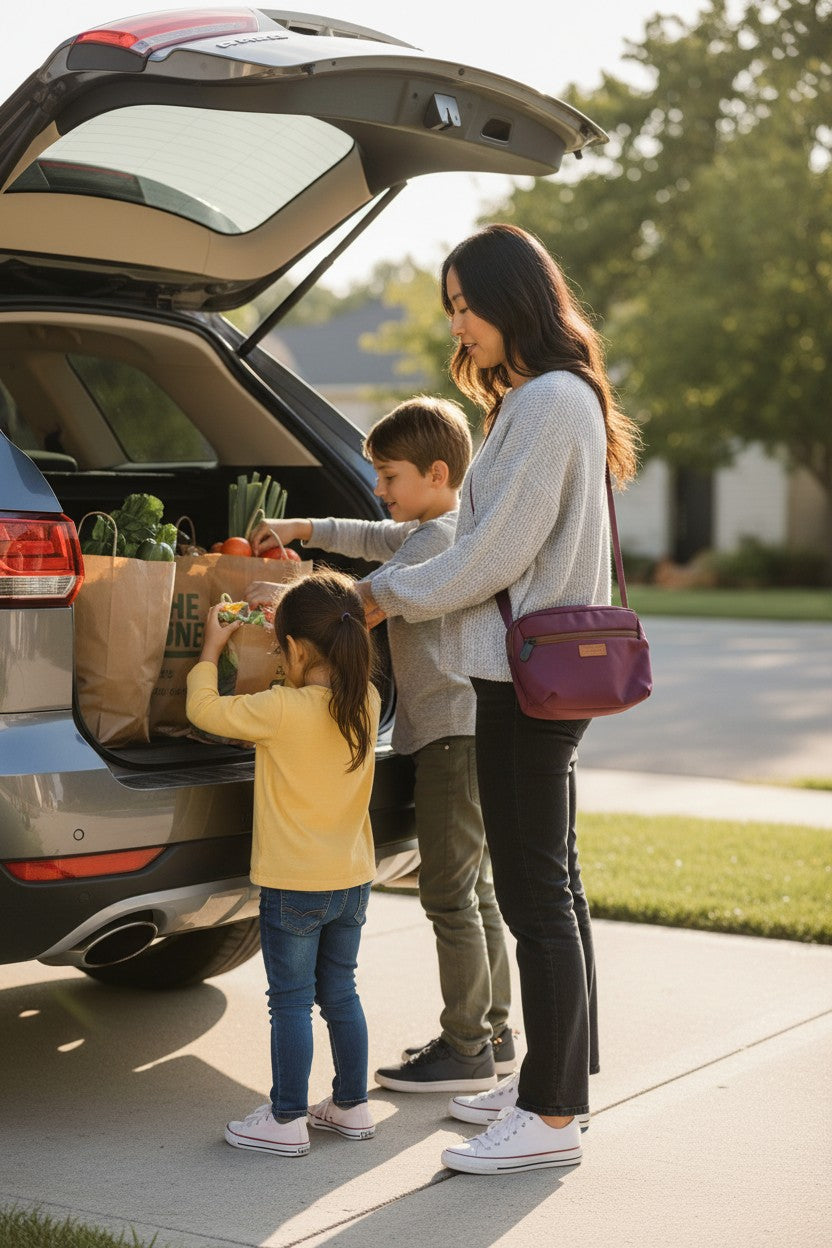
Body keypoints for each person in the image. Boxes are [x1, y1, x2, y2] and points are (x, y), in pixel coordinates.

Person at [355, 224, 640, 1176]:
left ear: (514, 300)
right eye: (452, 309)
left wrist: (380, 594)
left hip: (524, 680)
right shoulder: (543, 399)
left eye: (466, 305)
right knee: (549, 884)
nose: (459, 325)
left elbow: (491, 553)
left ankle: (552, 1118)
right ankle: (554, 1089)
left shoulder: (552, 401)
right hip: (526, 673)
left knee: (534, 894)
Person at [249, 396, 515, 1095]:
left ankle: (466, 1048)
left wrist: (272, 605)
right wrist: (303, 528)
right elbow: (369, 536)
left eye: (389, 476)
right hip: (467, 728)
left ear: (434, 473)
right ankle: (493, 1028)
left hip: (451, 736)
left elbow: (351, 606)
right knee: (476, 888)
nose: (378, 488)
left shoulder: (436, 541)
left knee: (449, 895)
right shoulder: (439, 524)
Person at [185, 571, 381, 1157]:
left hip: (294, 885)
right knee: (340, 992)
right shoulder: (366, 701)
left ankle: (287, 1118)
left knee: (290, 1000)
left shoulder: (278, 710)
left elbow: (203, 711)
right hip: (351, 880)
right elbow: (306, 683)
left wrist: (212, 648)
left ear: (293, 649)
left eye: (280, 647)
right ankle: (351, 1105)